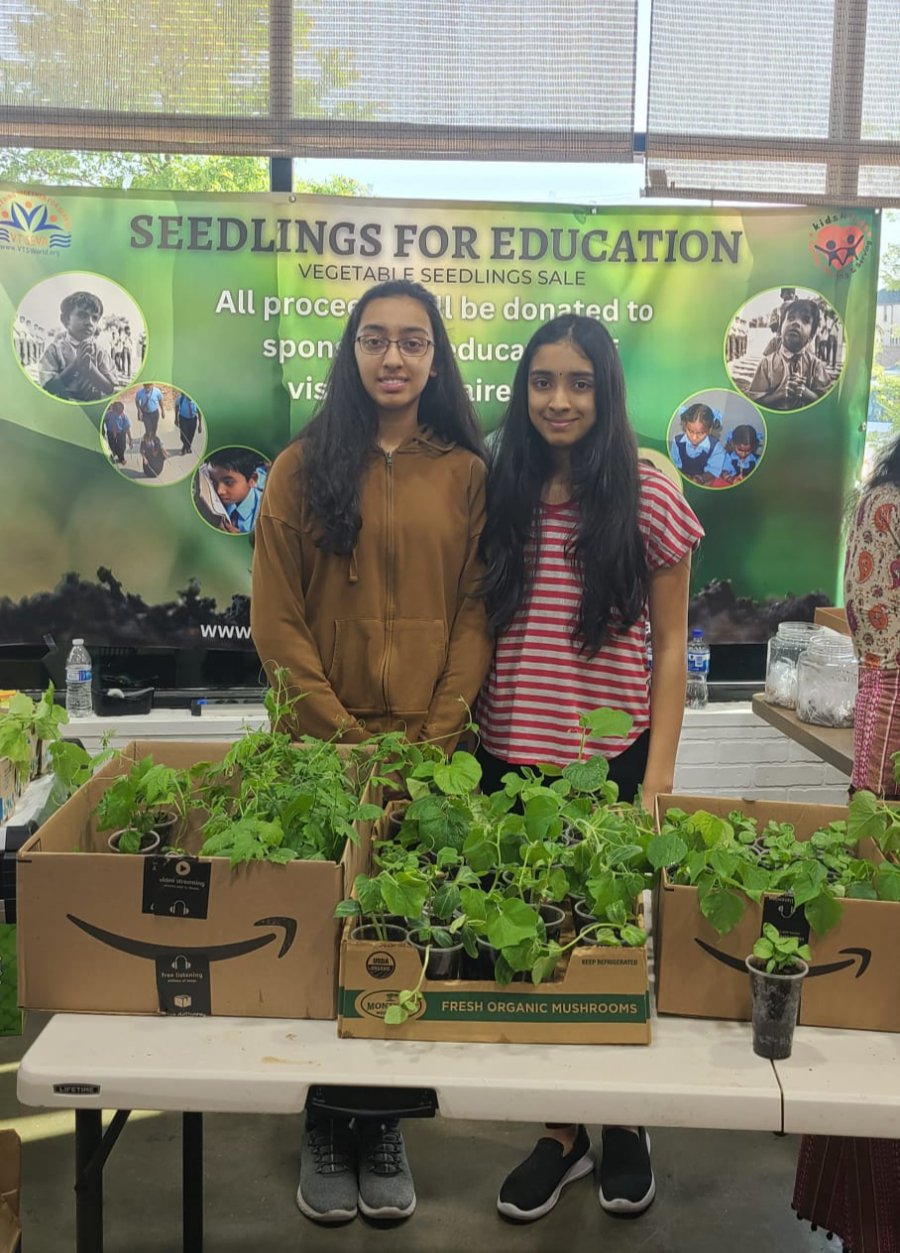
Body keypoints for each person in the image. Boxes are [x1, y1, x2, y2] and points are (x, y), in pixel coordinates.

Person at [251, 279, 492, 1226]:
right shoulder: (300, 468)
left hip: (431, 757)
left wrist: (429, 748)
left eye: (414, 342)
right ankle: (324, 1118)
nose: (394, 357)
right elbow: (277, 627)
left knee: (401, 941)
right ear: (351, 352)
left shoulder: (468, 474)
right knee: (317, 943)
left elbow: (477, 617)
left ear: (436, 358)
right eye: (376, 340)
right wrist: (349, 746)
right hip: (321, 753)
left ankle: (385, 1120)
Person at [477, 314, 703, 1225]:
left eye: (579, 383)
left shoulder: (648, 493)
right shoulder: (501, 486)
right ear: (523, 390)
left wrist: (658, 778)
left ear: (605, 393)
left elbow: (675, 646)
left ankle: (625, 1124)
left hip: (609, 765)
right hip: (506, 764)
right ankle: (562, 1130)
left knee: (615, 953)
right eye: (542, 382)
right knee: (534, 958)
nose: (559, 400)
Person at [793, 434, 900, 1250]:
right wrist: (873, 789)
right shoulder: (886, 505)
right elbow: (886, 663)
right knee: (885, 1010)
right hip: (895, 780)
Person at [746, 299, 832, 410]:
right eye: (791, 318)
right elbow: (756, 402)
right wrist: (780, 394)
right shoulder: (766, 364)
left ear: (812, 335)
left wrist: (805, 392)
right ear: (780, 328)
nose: (796, 323)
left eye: (805, 320)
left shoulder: (816, 365)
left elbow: (827, 403)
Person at [37, 290, 118, 402]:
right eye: (82, 315)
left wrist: (90, 369)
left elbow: (109, 388)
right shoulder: (54, 350)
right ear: (65, 320)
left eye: (94, 318)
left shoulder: (100, 352)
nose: (89, 322)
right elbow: (49, 387)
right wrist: (76, 365)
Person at [205, 449, 268, 532]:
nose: (219, 491)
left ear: (253, 479)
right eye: (213, 482)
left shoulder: (265, 516)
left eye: (228, 482)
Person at [669, 402, 726, 484]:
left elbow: (714, 470)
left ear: (709, 430)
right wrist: (683, 475)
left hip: (704, 483)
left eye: (700, 433)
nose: (694, 437)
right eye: (690, 431)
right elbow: (675, 465)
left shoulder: (716, 447)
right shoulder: (677, 442)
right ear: (685, 425)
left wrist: (701, 478)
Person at [103, 401, 132, 465]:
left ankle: (121, 458)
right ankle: (113, 454)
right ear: (113, 410)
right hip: (111, 431)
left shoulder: (124, 417)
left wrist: (130, 439)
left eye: (121, 412)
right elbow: (103, 421)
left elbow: (127, 428)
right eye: (118, 413)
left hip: (121, 432)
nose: (120, 414)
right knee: (112, 445)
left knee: (122, 446)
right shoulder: (108, 415)